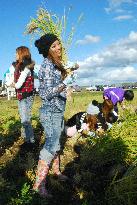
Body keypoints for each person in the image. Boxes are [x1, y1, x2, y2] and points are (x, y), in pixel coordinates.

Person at [33, 33, 75, 197]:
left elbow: (62, 81)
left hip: (57, 111)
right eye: (54, 46)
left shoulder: (55, 64)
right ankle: (38, 185)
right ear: (47, 50)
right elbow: (46, 93)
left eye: (58, 44)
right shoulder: (47, 66)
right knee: (50, 146)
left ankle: (56, 173)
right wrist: (65, 83)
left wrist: (70, 76)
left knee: (56, 143)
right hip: (50, 112)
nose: (59, 48)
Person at [11, 46, 35, 145]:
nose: (15, 55)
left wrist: (13, 85)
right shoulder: (19, 67)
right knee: (23, 117)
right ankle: (25, 138)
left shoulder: (26, 68)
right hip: (22, 96)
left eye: (16, 53)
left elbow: (18, 84)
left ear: (21, 54)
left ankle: (31, 141)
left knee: (25, 119)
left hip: (26, 96)